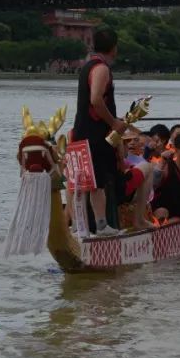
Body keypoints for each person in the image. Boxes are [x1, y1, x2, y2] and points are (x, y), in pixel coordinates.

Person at [70, 26, 128, 236]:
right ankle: (96, 227)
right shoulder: (102, 68)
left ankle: (84, 227)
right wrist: (114, 123)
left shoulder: (87, 66)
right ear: (114, 48)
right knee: (97, 182)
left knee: (87, 182)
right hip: (94, 134)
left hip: (80, 131)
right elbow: (96, 99)